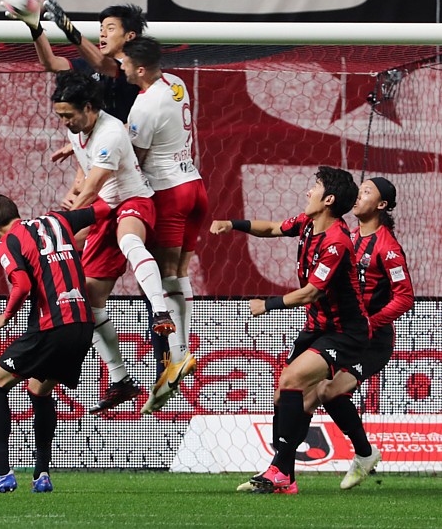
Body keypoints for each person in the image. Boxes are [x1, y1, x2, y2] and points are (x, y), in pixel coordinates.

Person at [210, 166, 370, 495]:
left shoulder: (336, 242)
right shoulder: (307, 223)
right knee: (283, 395)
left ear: (328, 199)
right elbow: (271, 228)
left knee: (292, 380)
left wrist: (267, 305)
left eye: (315, 186)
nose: (308, 191)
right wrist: (233, 224)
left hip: (346, 333)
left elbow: (311, 293)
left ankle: (281, 471)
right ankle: (284, 474)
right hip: (317, 327)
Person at [0, 194, 108, 493]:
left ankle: (1, 472)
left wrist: (5, 316)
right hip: (83, 324)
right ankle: (42, 474)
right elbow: (104, 210)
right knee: (39, 390)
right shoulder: (58, 219)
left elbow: (23, 285)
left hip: (52, 325)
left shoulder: (8, 241)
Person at [51, 70, 176, 415]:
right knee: (89, 304)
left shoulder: (110, 133)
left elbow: (92, 187)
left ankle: (160, 311)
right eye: (60, 115)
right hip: (106, 210)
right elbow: (86, 174)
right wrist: (73, 188)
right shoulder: (79, 129)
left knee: (129, 239)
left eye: (68, 115)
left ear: (89, 107)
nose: (64, 121)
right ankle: (121, 380)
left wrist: (60, 226)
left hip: (133, 200)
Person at [305, 177, 414, 490]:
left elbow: (405, 297)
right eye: (359, 190)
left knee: (329, 391)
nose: (358, 196)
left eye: (366, 192)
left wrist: (371, 322)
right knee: (304, 396)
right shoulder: (348, 237)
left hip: (372, 341)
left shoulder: (388, 248)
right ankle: (282, 469)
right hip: (343, 333)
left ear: (381, 205)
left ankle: (364, 454)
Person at [120, 36, 209, 414]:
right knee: (180, 274)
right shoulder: (176, 83)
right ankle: (181, 352)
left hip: (169, 192)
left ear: (140, 69)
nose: (121, 67)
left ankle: (178, 355)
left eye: (125, 63)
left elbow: (135, 159)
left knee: (165, 275)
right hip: (195, 186)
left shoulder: (143, 106)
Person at [2, 0, 145, 123]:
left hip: (130, 140)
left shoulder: (138, 68)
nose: (103, 34)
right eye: (101, 28)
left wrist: (68, 28)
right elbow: (51, 63)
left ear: (130, 36)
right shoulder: (89, 65)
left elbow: (102, 65)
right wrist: (35, 28)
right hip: (99, 139)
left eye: (110, 29)